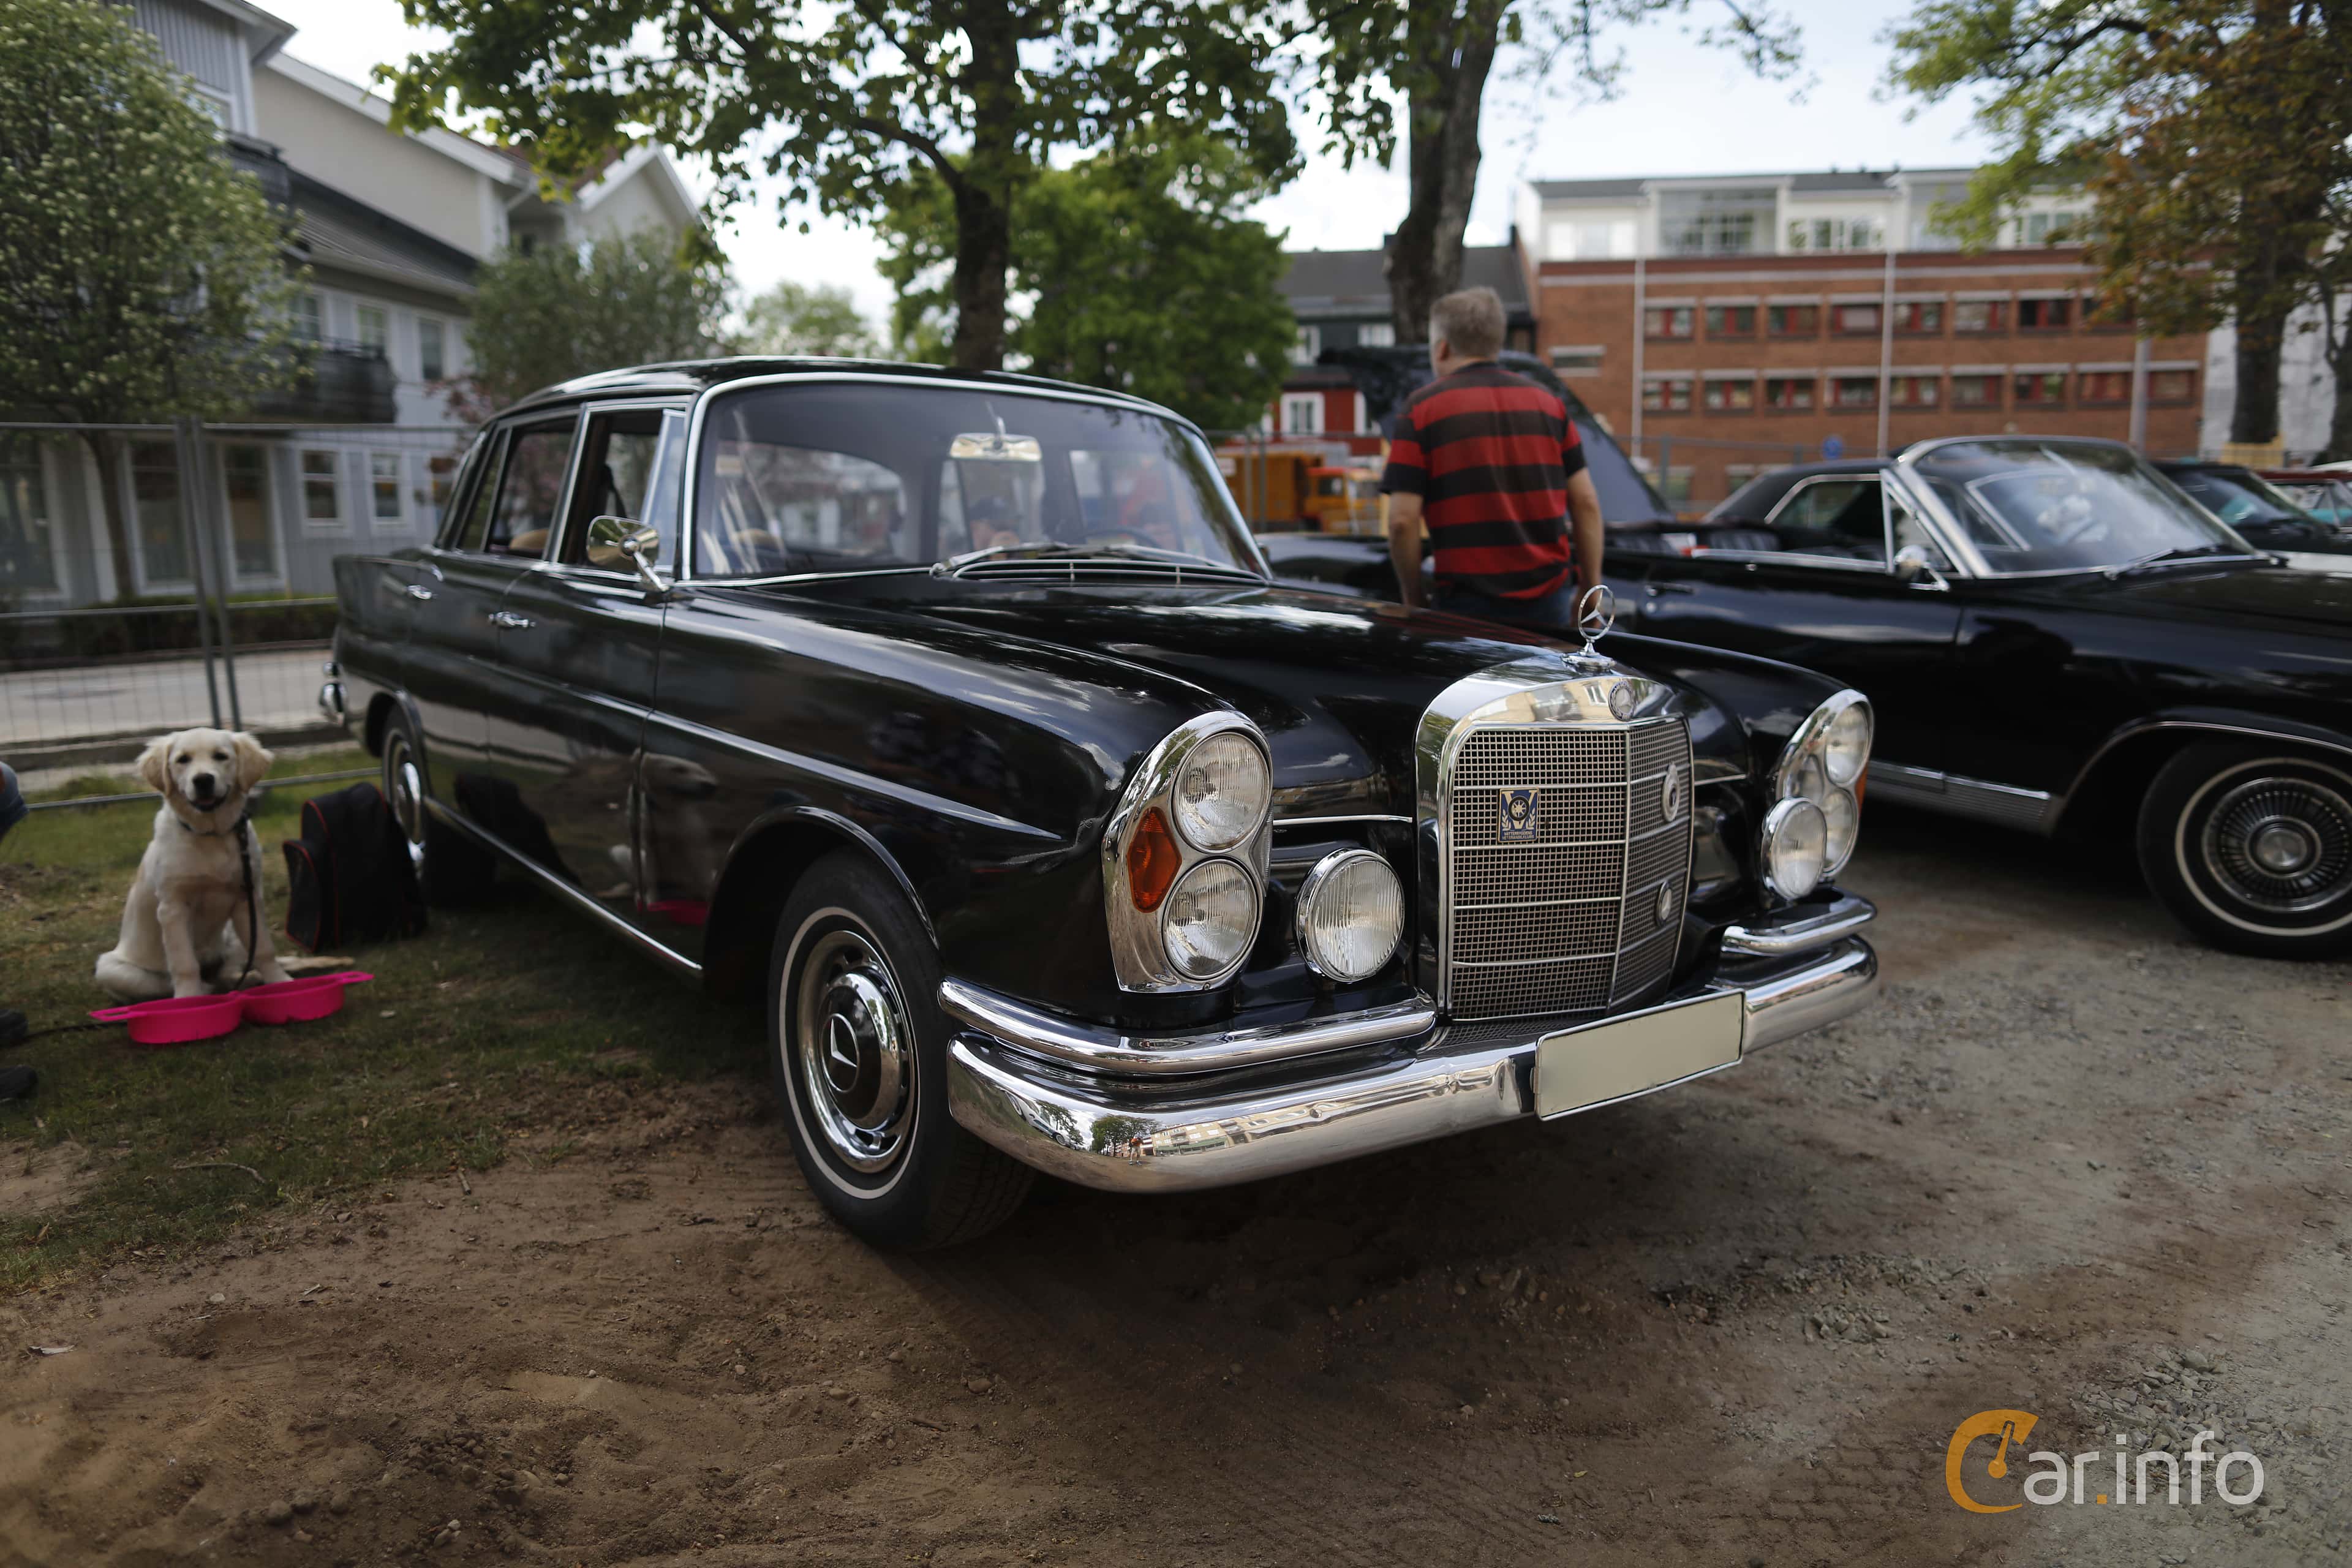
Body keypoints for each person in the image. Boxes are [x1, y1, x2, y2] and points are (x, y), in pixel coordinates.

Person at [1381, 286, 1605, 626]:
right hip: (1549, 601)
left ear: (1442, 349)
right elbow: (1586, 502)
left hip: (1465, 609)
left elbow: (1401, 522)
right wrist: (1591, 587)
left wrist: (1413, 598)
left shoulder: (1421, 410)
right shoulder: (1549, 404)